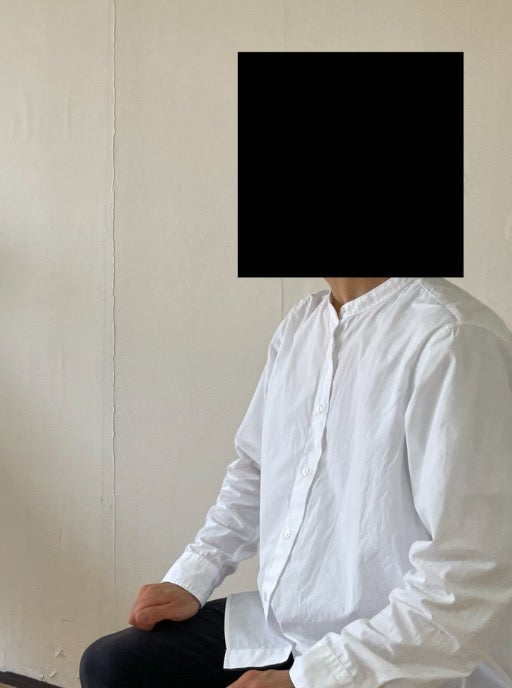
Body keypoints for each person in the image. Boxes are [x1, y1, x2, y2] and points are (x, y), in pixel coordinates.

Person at [80, 277, 512, 688]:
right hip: (288, 629)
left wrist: (313, 680)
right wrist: (195, 575)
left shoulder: (453, 338)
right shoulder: (303, 325)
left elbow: (469, 575)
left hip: (403, 654)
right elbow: (255, 469)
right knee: (113, 667)